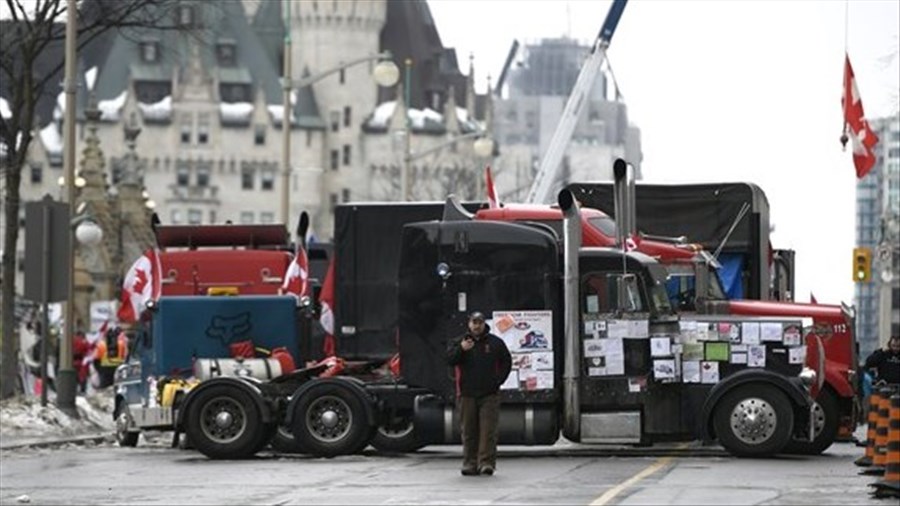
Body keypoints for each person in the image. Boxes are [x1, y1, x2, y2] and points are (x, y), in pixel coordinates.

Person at [446, 311, 512, 477]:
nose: (477, 326)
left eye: (480, 323)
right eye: (474, 322)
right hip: (466, 394)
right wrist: (461, 349)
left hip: (489, 394)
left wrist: (498, 381)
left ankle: (486, 463)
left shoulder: (495, 343)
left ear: (484, 324)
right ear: (469, 324)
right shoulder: (459, 342)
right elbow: (449, 359)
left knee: (488, 431)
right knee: (469, 431)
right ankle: (470, 463)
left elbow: (507, 361)